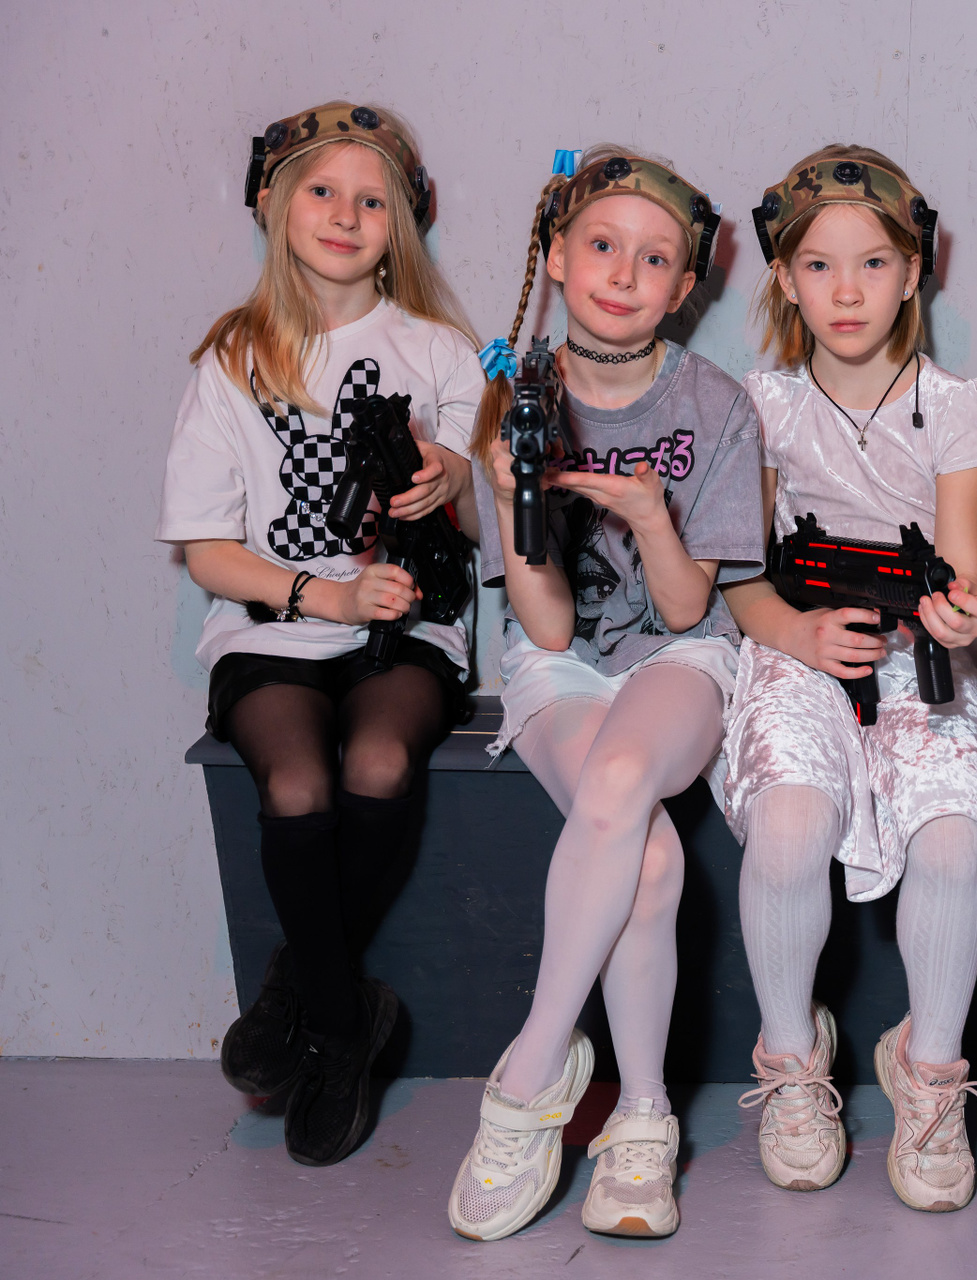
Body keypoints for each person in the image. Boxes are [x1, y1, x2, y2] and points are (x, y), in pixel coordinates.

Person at [444, 147, 762, 1242]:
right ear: (556, 255)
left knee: (625, 776)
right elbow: (545, 629)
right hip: (564, 665)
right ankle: (642, 1115)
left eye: (655, 258)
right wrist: (507, 494)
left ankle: (532, 1066)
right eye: (601, 245)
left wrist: (649, 513)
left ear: (686, 285)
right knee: (653, 860)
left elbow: (685, 608)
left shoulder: (717, 406)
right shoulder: (517, 401)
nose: (624, 273)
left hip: (680, 655)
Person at [157, 101, 480, 1166]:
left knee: (380, 760)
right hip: (274, 626)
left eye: (373, 200)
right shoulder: (232, 359)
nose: (346, 215)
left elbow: (489, 497)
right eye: (323, 191)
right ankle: (346, 1025)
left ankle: (300, 982)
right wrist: (323, 598)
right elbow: (210, 551)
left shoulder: (439, 349)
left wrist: (449, 477)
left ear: (405, 223)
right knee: (295, 783)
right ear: (273, 202)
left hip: (411, 622)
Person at [721, 146, 977, 1213]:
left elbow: (963, 571)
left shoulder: (956, 404)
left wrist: (961, 615)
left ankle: (931, 1070)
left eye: (872, 263)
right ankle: (790, 1058)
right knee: (789, 827)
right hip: (797, 641)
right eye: (818, 265)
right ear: (784, 279)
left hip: (918, 652)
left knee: (951, 838)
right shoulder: (762, 404)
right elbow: (740, 578)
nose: (846, 291)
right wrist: (799, 633)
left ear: (915, 272)